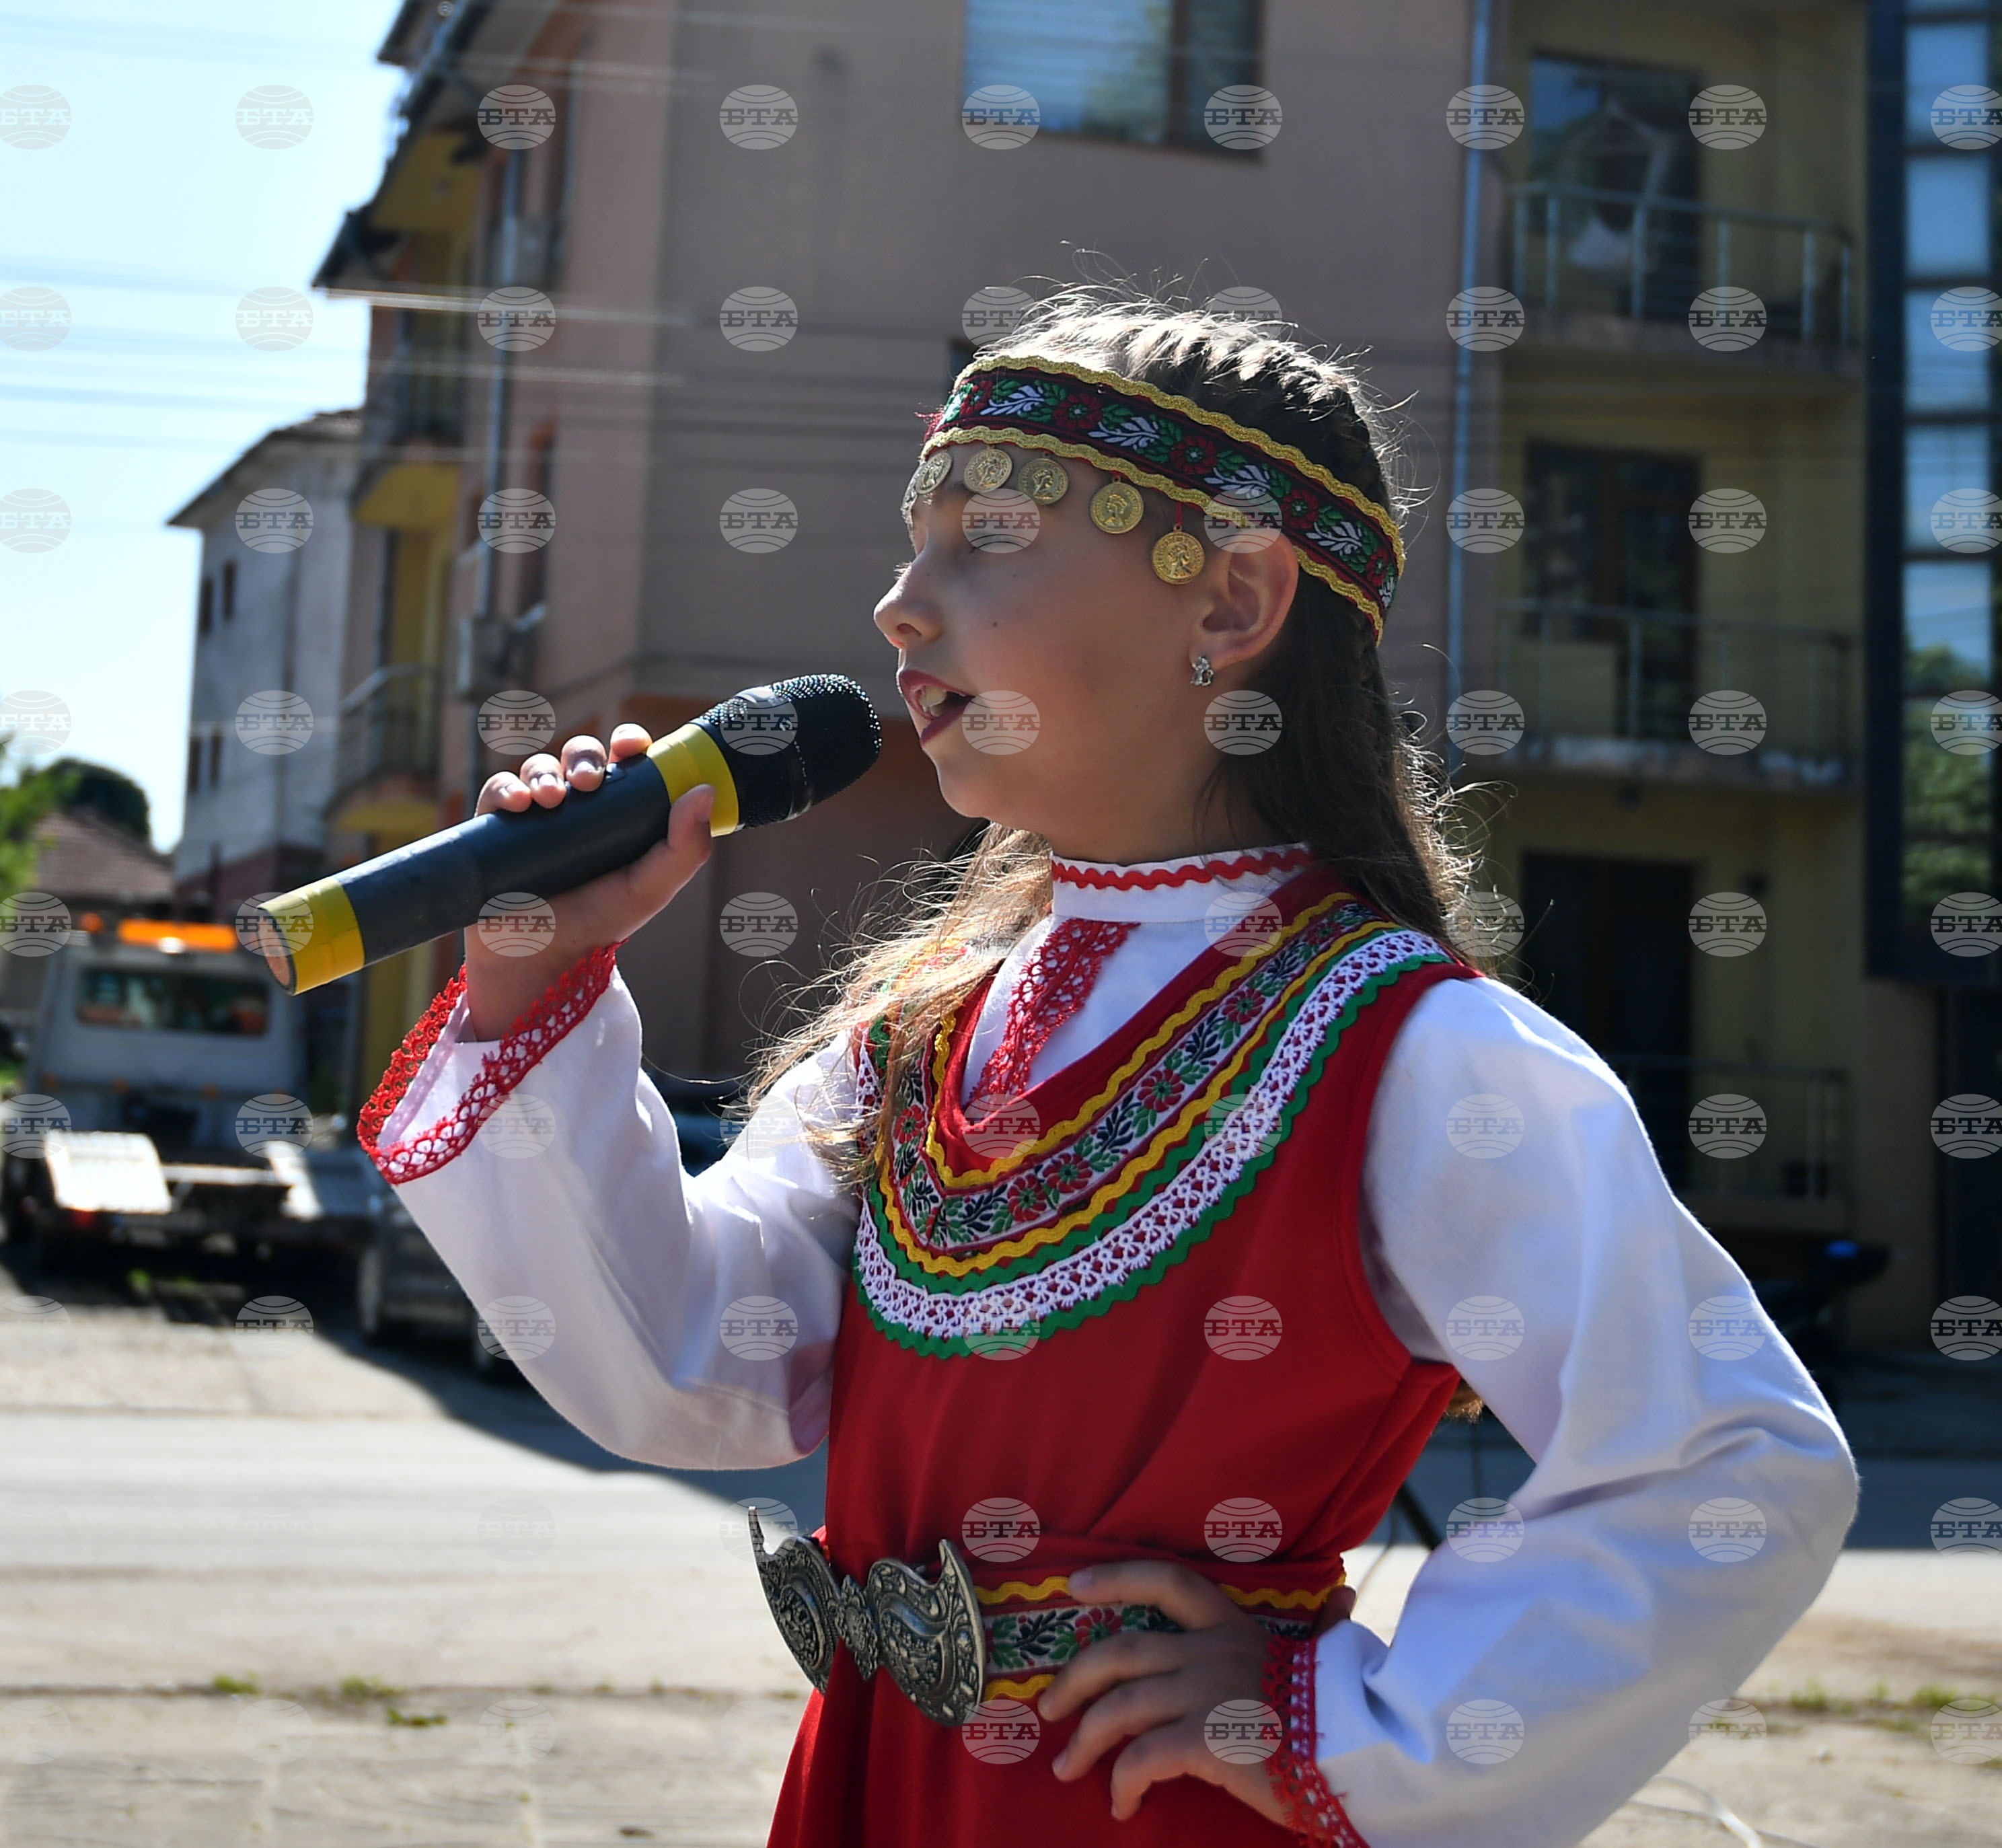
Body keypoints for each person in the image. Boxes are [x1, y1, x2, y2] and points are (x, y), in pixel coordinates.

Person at [360, 289, 1857, 1847]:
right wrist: (532, 984)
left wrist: (1353, 1733)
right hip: (876, 1791)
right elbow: (689, 1363)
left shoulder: (1415, 1052)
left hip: (1157, 1805)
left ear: (1232, 603)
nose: (900, 606)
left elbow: (1727, 1465)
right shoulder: (920, 1040)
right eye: (909, 543)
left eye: (983, 539)